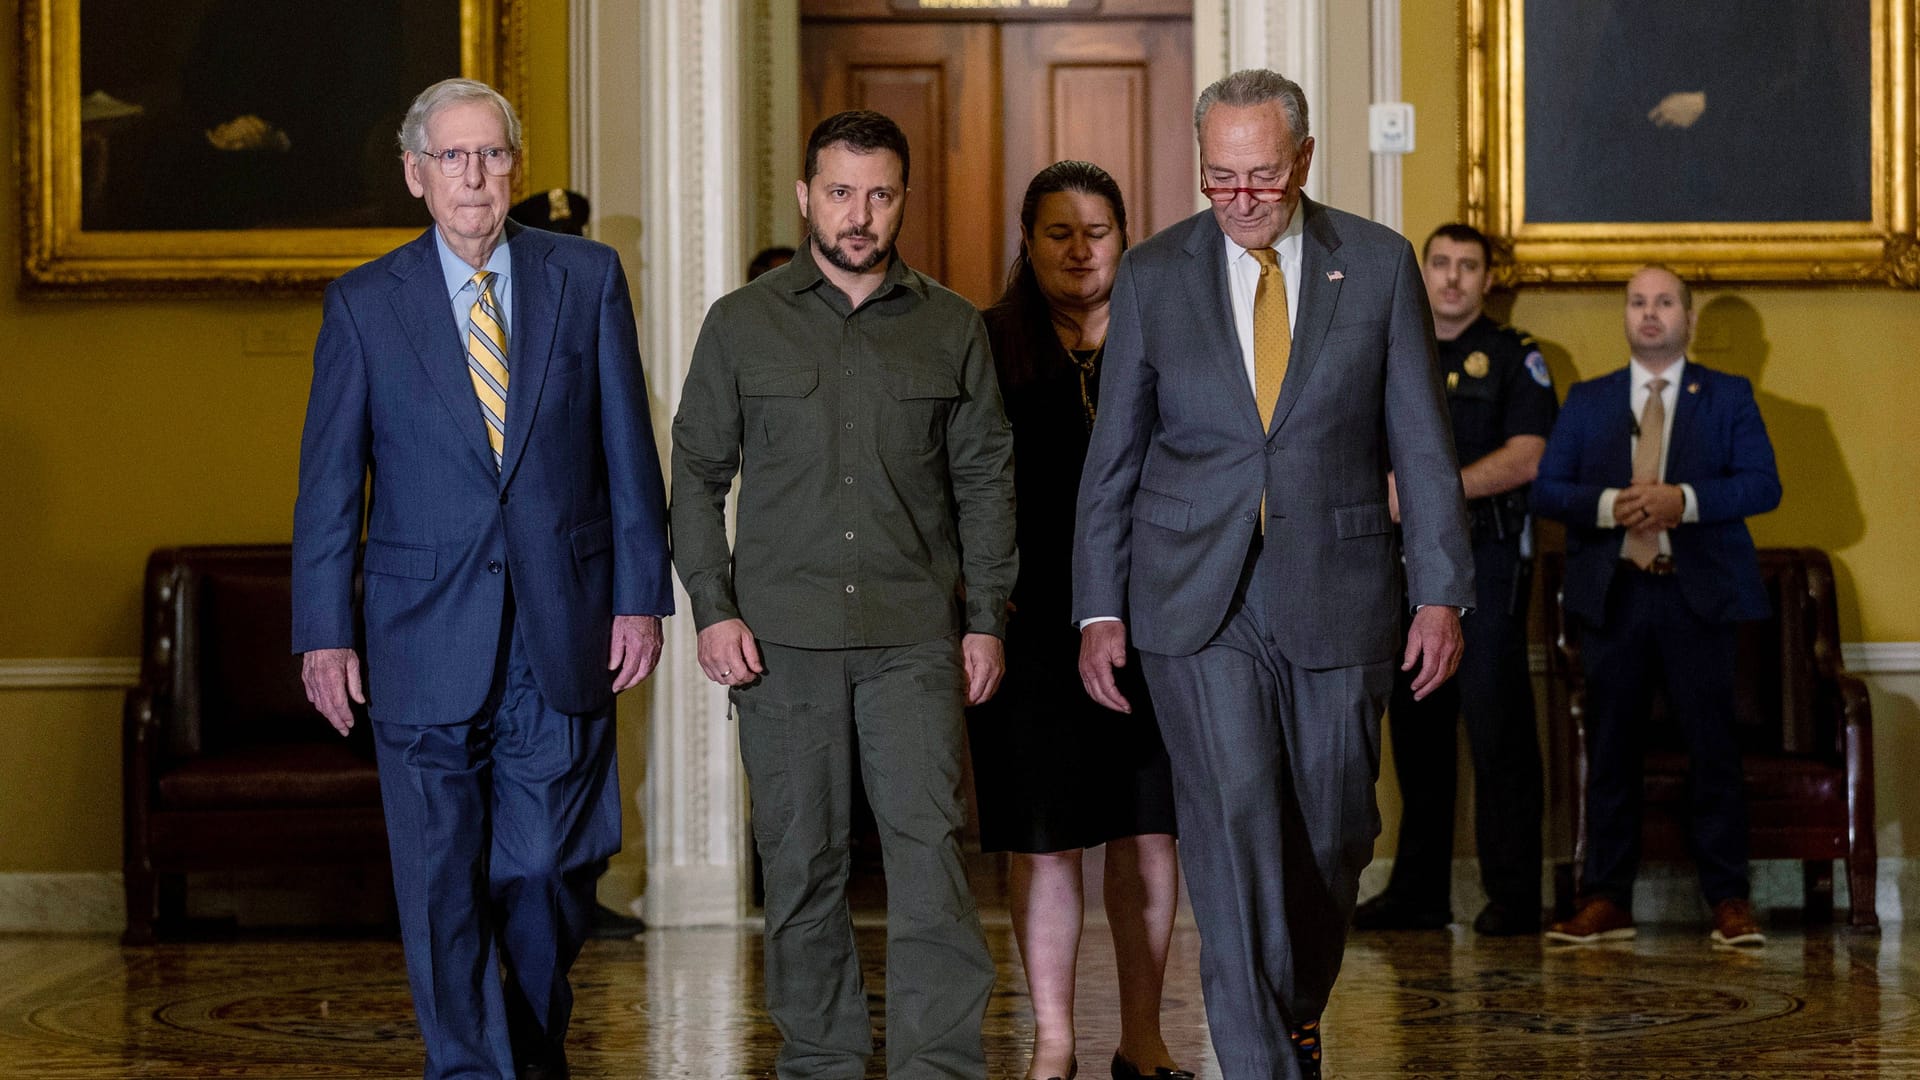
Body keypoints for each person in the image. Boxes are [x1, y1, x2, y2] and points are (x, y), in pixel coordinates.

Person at [1073, 69, 1473, 1080]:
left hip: (1340, 584)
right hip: (1191, 598)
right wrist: (1098, 608)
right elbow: (1112, 458)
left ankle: (1291, 1007)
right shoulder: (1156, 273)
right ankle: (1265, 1063)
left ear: (1302, 160)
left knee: (1339, 827)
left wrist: (1440, 592)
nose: (1241, 200)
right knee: (1233, 822)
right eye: (1220, 180)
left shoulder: (1376, 266)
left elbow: (1421, 446)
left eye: (1261, 178)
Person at [292, 78, 672, 1080]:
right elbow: (329, 488)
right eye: (453, 157)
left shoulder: (585, 278)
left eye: (493, 154)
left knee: (547, 868)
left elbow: (628, 453)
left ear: (516, 167)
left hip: (563, 628)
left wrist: (641, 593)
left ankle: (526, 1053)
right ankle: (472, 1069)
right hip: (419, 635)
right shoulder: (366, 304)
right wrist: (323, 632)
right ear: (416, 175)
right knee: (439, 887)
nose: (475, 176)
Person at [669, 110, 1016, 1080]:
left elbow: (988, 480)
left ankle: (937, 1067)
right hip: (780, 644)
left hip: (915, 640)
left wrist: (985, 619)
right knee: (801, 864)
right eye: (839, 192)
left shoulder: (951, 326)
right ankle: (818, 1064)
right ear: (804, 196)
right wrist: (713, 605)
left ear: (903, 198)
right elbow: (694, 474)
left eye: (879, 194)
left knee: (931, 862)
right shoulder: (740, 325)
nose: (858, 215)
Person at [966, 161, 1188, 1080]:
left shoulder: (1173, 337)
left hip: (1155, 628)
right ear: (1026, 241)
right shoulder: (984, 345)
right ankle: (1053, 1042)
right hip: (1031, 634)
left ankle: (1144, 1036)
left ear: (1125, 238)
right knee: (1047, 841)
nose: (1080, 248)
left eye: (1098, 230)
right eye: (1058, 231)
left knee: (1149, 835)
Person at [1532, 265, 1780, 948]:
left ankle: (1729, 901)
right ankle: (1607, 899)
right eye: (1638, 303)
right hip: (1615, 597)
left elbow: (1763, 485)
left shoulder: (1726, 396)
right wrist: (1614, 504)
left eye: (1664, 302)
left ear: (1688, 319)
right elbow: (1548, 490)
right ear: (1625, 316)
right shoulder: (1588, 400)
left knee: (1713, 752)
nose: (1650, 314)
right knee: (1610, 751)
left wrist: (1685, 502)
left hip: (1699, 597)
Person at [1354, 223, 1557, 937]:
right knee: (1415, 732)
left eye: (1466, 267)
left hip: (1487, 562)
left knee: (1498, 731)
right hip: (1402, 563)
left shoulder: (1514, 357)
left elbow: (1528, 456)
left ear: (1487, 279)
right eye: (1439, 263)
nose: (1450, 278)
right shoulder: (1387, 347)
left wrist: (1433, 490)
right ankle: (1418, 893)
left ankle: (1513, 897)